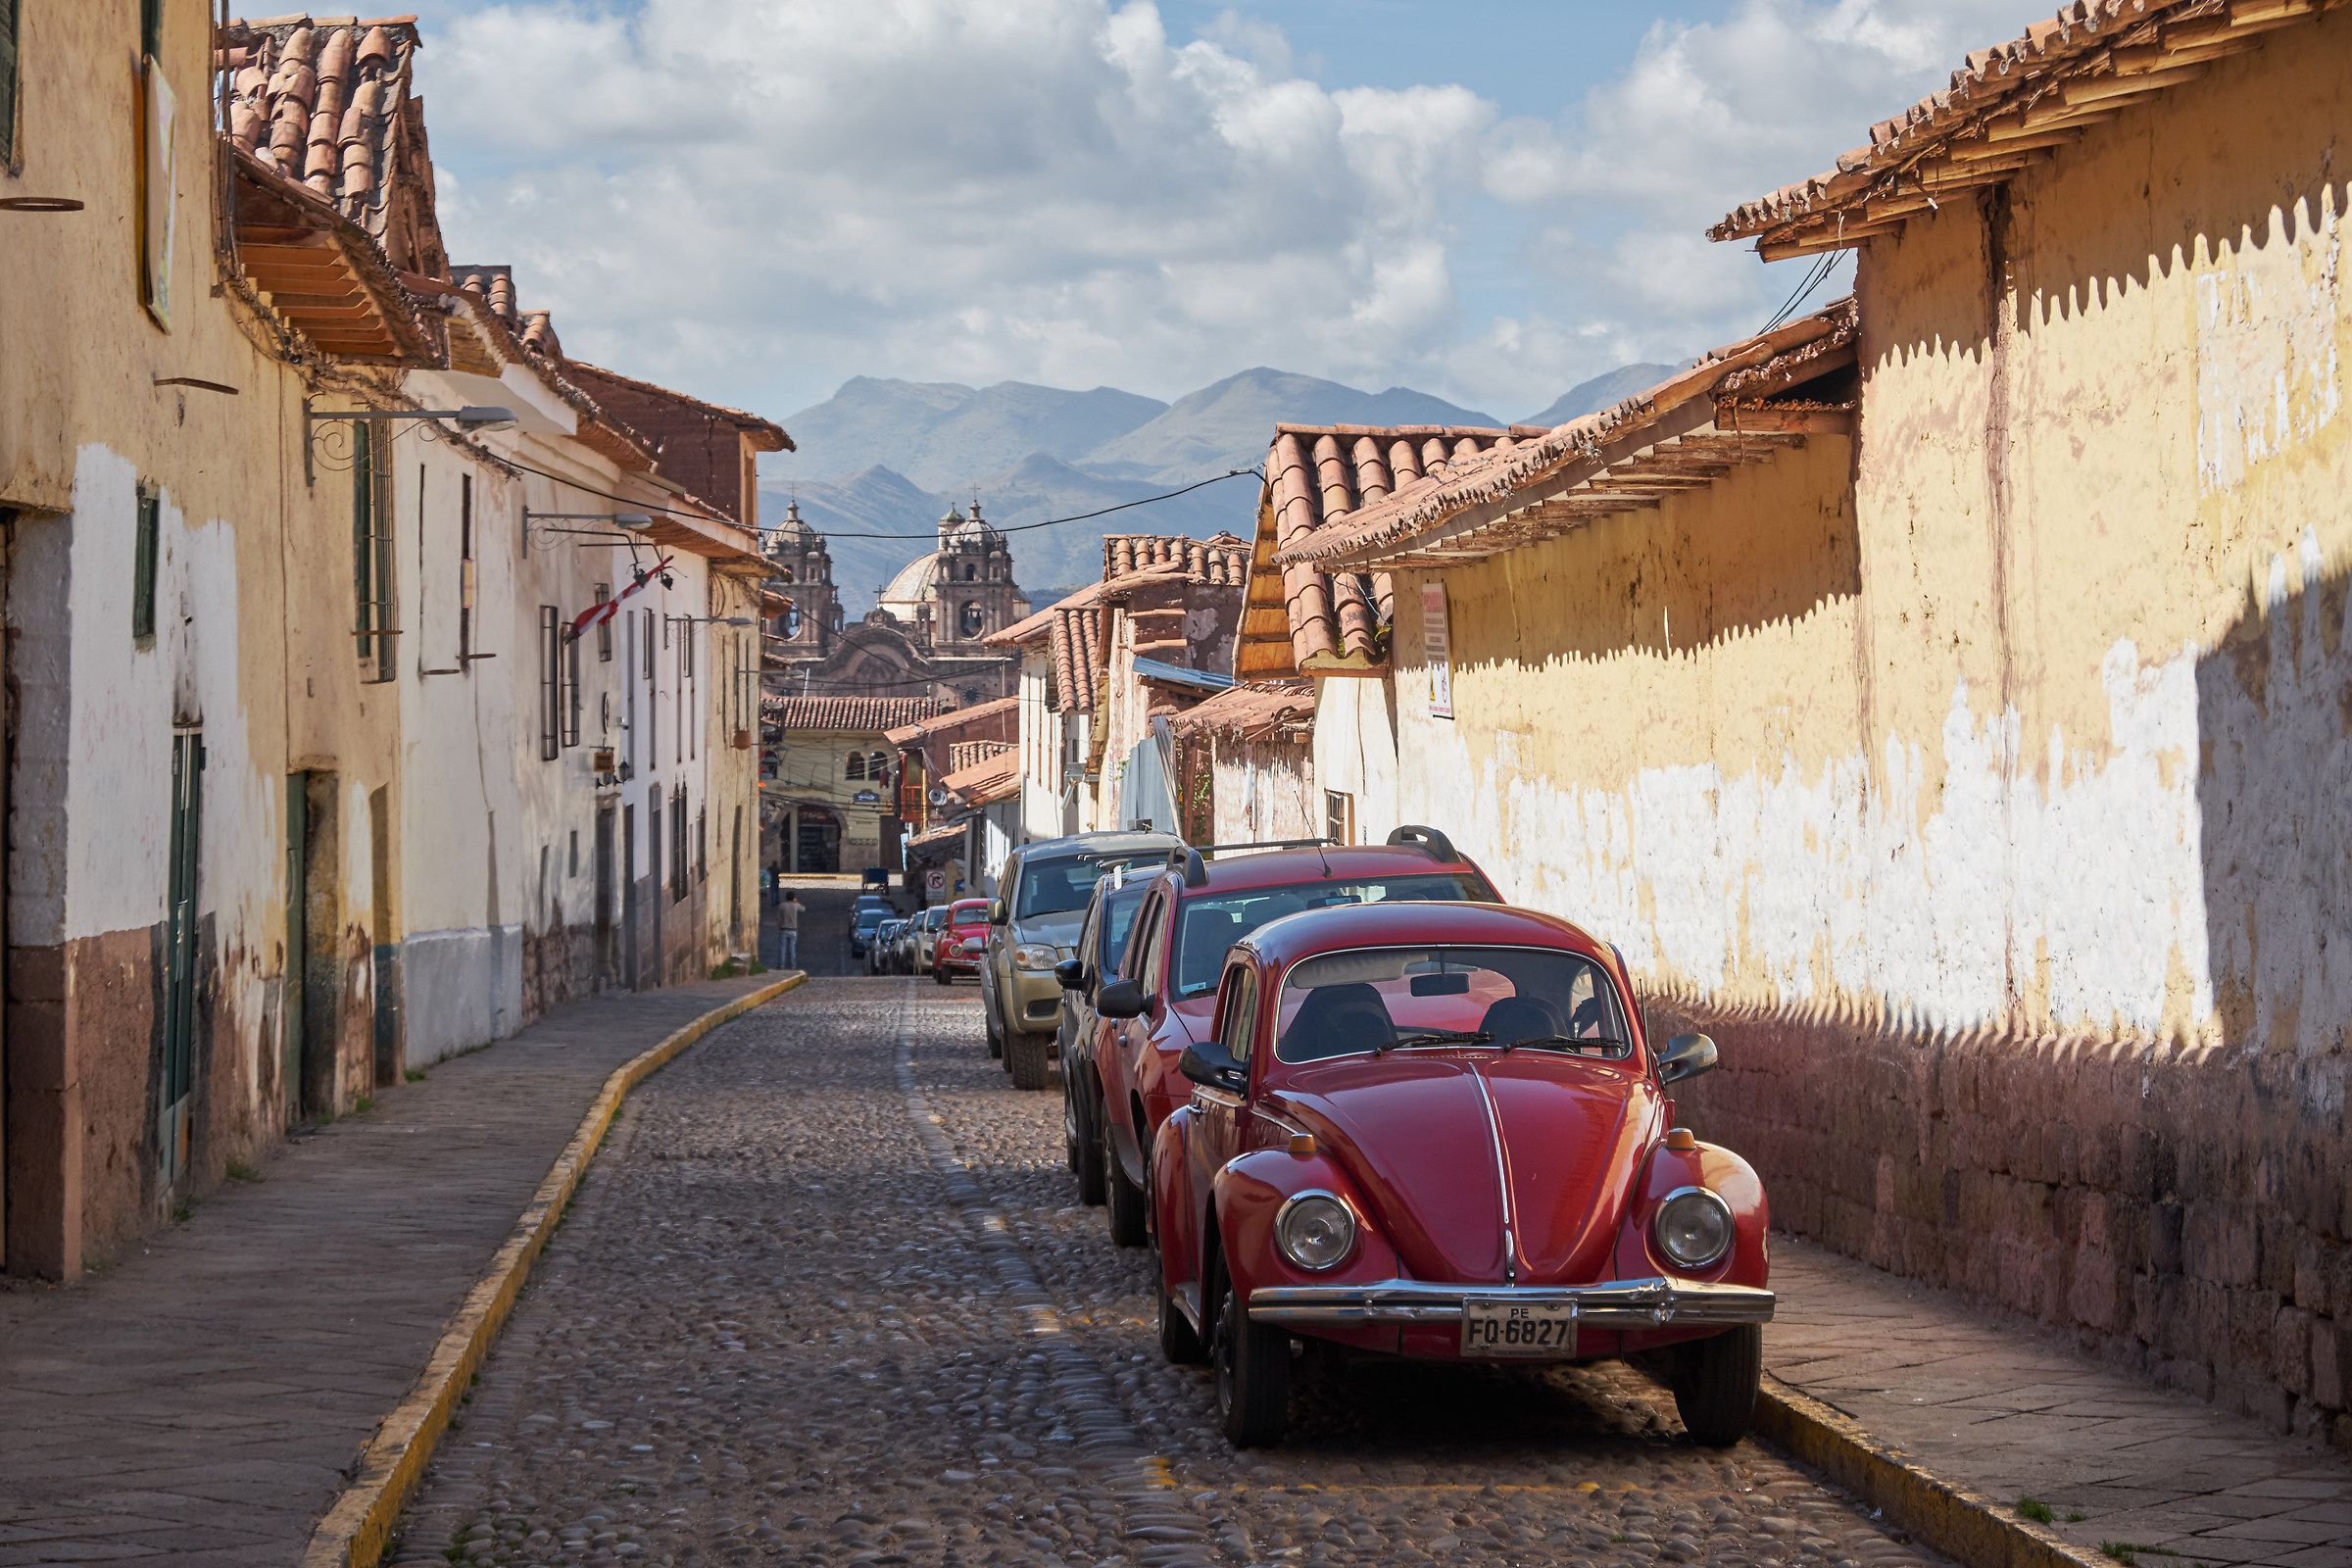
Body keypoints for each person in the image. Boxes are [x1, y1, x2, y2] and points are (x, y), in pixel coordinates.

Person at [775, 890, 801, 969]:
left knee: (782, 948)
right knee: (792, 948)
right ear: (793, 898)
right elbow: (803, 909)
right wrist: (796, 902)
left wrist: (779, 926)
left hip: (783, 929)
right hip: (793, 929)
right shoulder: (795, 906)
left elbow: (778, 919)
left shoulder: (782, 906)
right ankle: (793, 965)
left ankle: (781, 965)